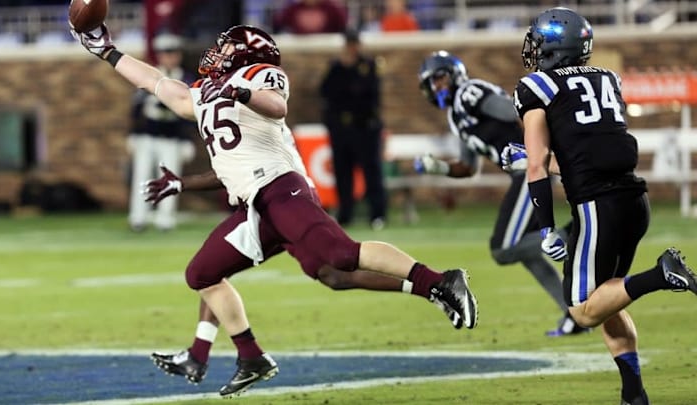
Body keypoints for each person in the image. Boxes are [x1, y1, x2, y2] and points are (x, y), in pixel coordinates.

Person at [72, 23, 478, 398]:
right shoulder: (202, 94)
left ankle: (441, 281)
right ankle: (251, 356)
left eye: (226, 46)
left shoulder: (257, 75)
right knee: (205, 274)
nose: (217, 52)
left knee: (340, 255)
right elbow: (156, 81)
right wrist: (105, 50)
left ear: (246, 54)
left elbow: (276, 105)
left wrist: (239, 92)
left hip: (282, 189)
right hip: (257, 206)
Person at [144, 127, 450, 385]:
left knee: (340, 257)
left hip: (279, 202)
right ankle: (200, 354)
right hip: (273, 201)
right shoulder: (239, 106)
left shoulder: (249, 104)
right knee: (332, 275)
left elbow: (232, 162)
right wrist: (182, 183)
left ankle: (433, 284)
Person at [511, 7, 697, 405]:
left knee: (581, 310)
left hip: (598, 206)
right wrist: (533, 157)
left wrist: (545, 228)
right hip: (633, 199)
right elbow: (588, 151)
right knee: (606, 297)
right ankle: (634, 395)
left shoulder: (536, 87)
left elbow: (537, 163)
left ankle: (661, 275)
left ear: (552, 48)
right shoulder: (607, 78)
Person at [414, 50, 586, 337]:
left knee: (503, 248)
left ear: (454, 74)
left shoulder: (470, 93)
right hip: (526, 171)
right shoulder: (457, 115)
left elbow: (519, 112)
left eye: (440, 79)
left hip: (530, 169)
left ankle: (573, 234)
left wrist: (538, 157)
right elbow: (469, 168)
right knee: (527, 253)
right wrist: (439, 167)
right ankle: (574, 315)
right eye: (432, 84)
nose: (437, 88)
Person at [127, 33, 195, 232]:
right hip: (148, 135)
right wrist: (133, 133)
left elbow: (192, 111)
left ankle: (165, 219)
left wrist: (187, 139)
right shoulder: (151, 76)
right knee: (142, 176)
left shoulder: (186, 78)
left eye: (172, 53)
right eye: (165, 53)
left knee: (170, 179)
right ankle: (138, 217)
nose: (169, 57)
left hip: (172, 138)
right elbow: (137, 107)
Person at [319, 30, 388, 230]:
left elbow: (367, 94)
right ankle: (345, 214)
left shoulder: (369, 66)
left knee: (371, 171)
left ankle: (377, 214)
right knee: (342, 172)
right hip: (341, 128)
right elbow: (326, 92)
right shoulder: (336, 67)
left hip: (365, 127)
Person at [272, 0, 347, 35]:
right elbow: (277, 24)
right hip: (301, 49)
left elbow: (343, 26)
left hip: (326, 48)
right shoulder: (293, 9)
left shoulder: (332, 8)